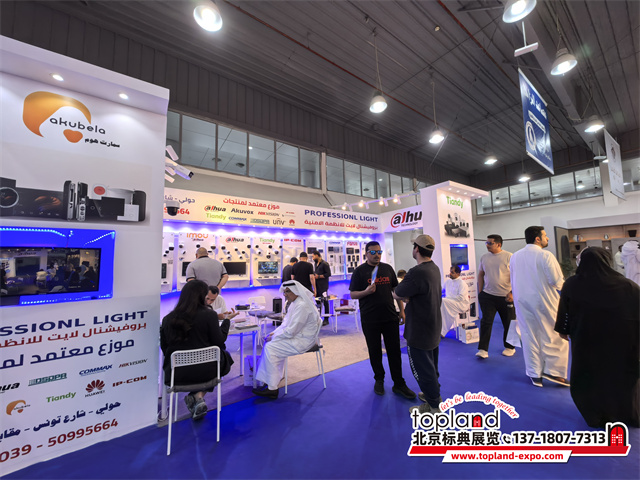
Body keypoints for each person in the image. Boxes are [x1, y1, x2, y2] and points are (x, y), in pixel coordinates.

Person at [554, 247, 639, 428]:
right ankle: (623, 412)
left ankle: (595, 415)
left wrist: (564, 330)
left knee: (589, 376)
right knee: (619, 376)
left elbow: (564, 314)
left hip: (586, 342)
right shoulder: (628, 286)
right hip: (621, 344)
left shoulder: (571, 284)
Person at [350, 241, 415, 400]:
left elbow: (395, 290)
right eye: (373, 252)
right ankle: (379, 379)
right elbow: (353, 294)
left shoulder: (387, 269)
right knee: (375, 351)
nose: (377, 255)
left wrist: (402, 310)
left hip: (390, 317)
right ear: (366, 253)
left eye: (379, 252)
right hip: (370, 318)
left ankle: (398, 383)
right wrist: (366, 292)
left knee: (394, 351)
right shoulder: (359, 272)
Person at [160, 280, 232, 420]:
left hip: (177, 375)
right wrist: (227, 320)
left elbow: (165, 348)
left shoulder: (168, 319)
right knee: (224, 356)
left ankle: (197, 397)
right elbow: (219, 341)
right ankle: (197, 395)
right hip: (207, 372)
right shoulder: (209, 315)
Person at [510, 226, 568, 388]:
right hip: (545, 302)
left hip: (522, 302)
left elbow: (513, 278)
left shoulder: (515, 256)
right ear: (537, 239)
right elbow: (557, 282)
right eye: (545, 236)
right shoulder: (545, 255)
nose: (547, 238)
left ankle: (534, 374)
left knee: (529, 336)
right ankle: (554, 372)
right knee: (555, 335)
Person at [393, 235, 442, 414]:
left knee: (421, 369)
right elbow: (422, 293)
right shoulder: (434, 268)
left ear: (416, 249)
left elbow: (397, 293)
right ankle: (433, 395)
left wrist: (404, 296)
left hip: (419, 329)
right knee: (431, 366)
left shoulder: (416, 272)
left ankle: (433, 406)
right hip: (432, 325)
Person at [252, 280, 322, 399]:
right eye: (284, 292)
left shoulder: (302, 306)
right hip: (297, 336)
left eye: (288, 292)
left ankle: (272, 389)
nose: (285, 295)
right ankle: (271, 381)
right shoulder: (296, 303)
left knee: (271, 348)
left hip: (303, 341)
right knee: (270, 344)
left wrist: (274, 337)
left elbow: (291, 330)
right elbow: (286, 324)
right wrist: (274, 333)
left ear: (296, 291)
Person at [476, 234, 515, 359]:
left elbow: (516, 276)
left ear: (499, 244)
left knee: (509, 322)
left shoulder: (509, 256)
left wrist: (512, 293)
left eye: (490, 243)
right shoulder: (484, 257)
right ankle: (483, 349)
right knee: (486, 322)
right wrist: (480, 292)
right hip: (488, 296)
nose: (487, 245)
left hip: (506, 297)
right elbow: (481, 274)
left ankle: (510, 347)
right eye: (486, 243)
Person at [440, 265, 470, 337]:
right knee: (440, 303)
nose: (450, 274)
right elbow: (441, 291)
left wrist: (448, 299)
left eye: (452, 272)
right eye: (450, 272)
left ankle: (443, 331)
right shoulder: (448, 282)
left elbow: (461, 298)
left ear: (458, 274)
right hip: (449, 303)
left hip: (461, 304)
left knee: (443, 301)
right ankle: (440, 329)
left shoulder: (462, 283)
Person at [313, 251, 332, 324]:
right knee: (318, 303)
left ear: (317, 255)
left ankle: (326, 319)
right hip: (317, 287)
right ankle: (318, 318)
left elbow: (328, 274)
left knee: (325, 302)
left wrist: (319, 276)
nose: (312, 258)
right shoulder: (315, 264)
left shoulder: (325, 264)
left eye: (313, 256)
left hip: (323, 287)